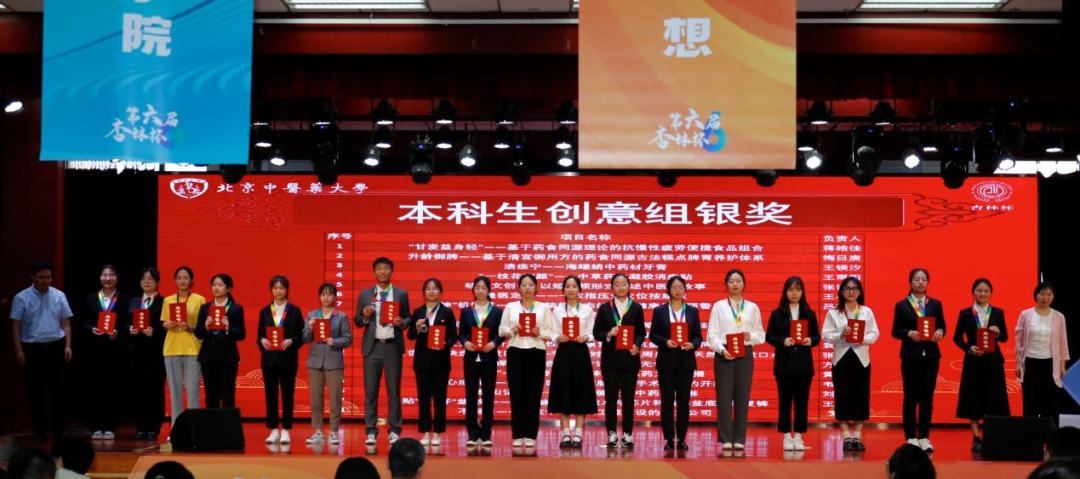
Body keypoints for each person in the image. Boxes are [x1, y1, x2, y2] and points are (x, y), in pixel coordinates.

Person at [9, 262, 73, 441]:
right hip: (32, 349)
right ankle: (40, 430)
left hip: (56, 347)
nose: (45, 281)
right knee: (35, 392)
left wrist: (68, 345)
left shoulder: (59, 295)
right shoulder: (21, 297)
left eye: (48, 277)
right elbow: (16, 325)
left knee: (59, 391)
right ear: (32, 277)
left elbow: (66, 322)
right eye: (41, 277)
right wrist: (18, 350)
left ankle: (59, 430)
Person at [707, 269, 766, 451]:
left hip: (745, 352)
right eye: (731, 281)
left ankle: (739, 438)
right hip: (724, 352)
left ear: (744, 284)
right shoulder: (718, 306)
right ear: (726, 284)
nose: (735, 284)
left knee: (742, 396)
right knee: (723, 397)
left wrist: (750, 336)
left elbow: (761, 335)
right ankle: (725, 438)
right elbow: (712, 335)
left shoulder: (752, 307)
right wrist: (722, 350)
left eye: (738, 280)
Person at [354, 257, 410, 446]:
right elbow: (357, 320)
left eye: (386, 268)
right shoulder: (365, 294)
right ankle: (371, 431)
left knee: (394, 391)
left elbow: (408, 318)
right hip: (372, 348)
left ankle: (394, 430)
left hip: (393, 347)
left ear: (391, 271)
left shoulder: (401, 294)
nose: (383, 272)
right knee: (371, 391)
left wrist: (403, 322)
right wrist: (364, 316)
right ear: (374, 272)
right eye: (379, 269)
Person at [822, 276, 881, 452]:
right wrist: (840, 334)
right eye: (847, 289)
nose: (850, 292)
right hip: (841, 358)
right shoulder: (833, 312)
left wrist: (863, 339)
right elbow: (825, 335)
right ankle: (846, 436)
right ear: (841, 292)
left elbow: (875, 334)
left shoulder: (866, 311)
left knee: (861, 397)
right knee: (842, 397)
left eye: (854, 289)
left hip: (861, 359)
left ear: (860, 292)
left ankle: (857, 436)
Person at [892, 268, 946, 452]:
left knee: (927, 398)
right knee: (910, 397)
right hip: (910, 356)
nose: (921, 282)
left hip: (931, 356)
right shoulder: (902, 305)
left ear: (928, 282)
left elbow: (942, 326)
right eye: (917, 279)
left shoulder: (935, 304)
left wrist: (940, 332)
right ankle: (911, 437)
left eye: (924, 279)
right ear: (910, 282)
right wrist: (908, 332)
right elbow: (895, 330)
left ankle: (924, 437)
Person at [499, 273, 555, 448]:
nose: (527, 288)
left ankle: (531, 434)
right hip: (515, 351)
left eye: (531, 285)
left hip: (536, 351)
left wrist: (541, 332)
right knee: (516, 393)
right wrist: (512, 329)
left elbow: (551, 332)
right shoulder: (511, 306)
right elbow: (501, 331)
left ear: (536, 288)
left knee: (534, 393)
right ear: (518, 288)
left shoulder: (543, 307)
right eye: (524, 285)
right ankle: (517, 434)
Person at [953, 278, 1010, 453]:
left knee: (995, 398)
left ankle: (992, 436)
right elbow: (957, 338)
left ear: (990, 293)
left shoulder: (998, 312)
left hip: (994, 362)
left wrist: (998, 333)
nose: (982, 294)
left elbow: (1005, 337)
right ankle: (976, 438)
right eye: (979, 290)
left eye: (986, 291)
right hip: (973, 362)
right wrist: (969, 348)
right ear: (973, 292)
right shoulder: (965, 313)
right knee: (973, 399)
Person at [765, 276, 820, 452]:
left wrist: (810, 340)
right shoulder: (777, 313)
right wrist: (783, 341)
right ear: (785, 292)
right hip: (784, 365)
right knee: (785, 401)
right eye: (791, 290)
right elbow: (769, 336)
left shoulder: (809, 313)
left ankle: (799, 437)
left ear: (802, 292)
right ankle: (787, 437)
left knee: (802, 402)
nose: (794, 293)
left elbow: (817, 336)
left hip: (804, 365)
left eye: (797, 289)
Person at [649, 275, 703, 452]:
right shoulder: (660, 311)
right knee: (666, 401)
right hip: (666, 361)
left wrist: (692, 344)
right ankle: (668, 439)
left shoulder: (693, 311)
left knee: (683, 401)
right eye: (674, 287)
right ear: (668, 290)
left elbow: (698, 336)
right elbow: (653, 335)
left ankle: (681, 438)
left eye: (681, 287)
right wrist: (665, 341)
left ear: (685, 290)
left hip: (686, 361)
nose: (678, 290)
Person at [592, 273, 646, 449]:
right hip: (610, 361)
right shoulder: (604, 308)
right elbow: (596, 332)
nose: (621, 287)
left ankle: (628, 435)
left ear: (629, 286)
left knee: (629, 399)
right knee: (611, 399)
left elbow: (641, 332)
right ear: (612, 287)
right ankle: (612, 435)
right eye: (617, 284)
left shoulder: (636, 307)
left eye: (624, 284)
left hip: (630, 360)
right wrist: (609, 333)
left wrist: (637, 345)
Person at [548, 275, 598, 448]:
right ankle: (565, 434)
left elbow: (593, 332)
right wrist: (557, 337)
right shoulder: (557, 310)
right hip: (564, 352)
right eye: (567, 286)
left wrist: (586, 337)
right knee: (563, 391)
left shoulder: (587, 309)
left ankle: (578, 434)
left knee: (581, 391)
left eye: (574, 286)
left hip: (580, 352)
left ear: (579, 290)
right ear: (563, 290)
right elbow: (552, 331)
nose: (571, 289)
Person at [82, 264, 130, 441]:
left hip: (115, 351)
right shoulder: (91, 299)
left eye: (111, 275)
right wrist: (91, 329)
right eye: (104, 275)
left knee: (113, 389)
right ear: (100, 277)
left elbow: (127, 323)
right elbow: (83, 322)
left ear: (117, 278)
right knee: (95, 388)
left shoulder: (124, 300)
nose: (108, 278)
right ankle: (96, 427)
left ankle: (110, 427)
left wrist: (118, 332)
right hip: (95, 351)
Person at [408, 278, 457, 446]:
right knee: (423, 398)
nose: (431, 291)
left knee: (439, 397)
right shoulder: (418, 312)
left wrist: (445, 344)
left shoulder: (447, 312)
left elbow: (453, 335)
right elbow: (410, 335)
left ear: (440, 292)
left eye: (435, 288)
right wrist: (416, 327)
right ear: (424, 292)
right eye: (428, 288)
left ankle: (437, 432)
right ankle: (425, 431)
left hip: (441, 361)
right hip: (422, 362)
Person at [257, 275, 305, 445]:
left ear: (287, 290)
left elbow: (301, 336)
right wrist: (262, 340)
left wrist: (292, 340)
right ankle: (273, 430)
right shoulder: (264, 311)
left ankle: (286, 430)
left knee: (287, 394)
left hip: (288, 358)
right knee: (270, 395)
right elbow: (259, 335)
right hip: (269, 359)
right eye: (275, 288)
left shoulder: (295, 311)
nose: (279, 291)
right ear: (271, 290)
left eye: (282, 288)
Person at [305, 283, 353, 445]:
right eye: (323, 294)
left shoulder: (341, 316)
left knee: (335, 398)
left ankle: (333, 432)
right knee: (315, 399)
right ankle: (318, 431)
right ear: (319, 297)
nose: (326, 297)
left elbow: (348, 338)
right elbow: (305, 339)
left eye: (330, 294)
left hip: (334, 361)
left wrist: (335, 341)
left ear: (335, 297)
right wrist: (310, 328)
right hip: (315, 362)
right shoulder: (312, 315)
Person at [458, 276, 504, 447]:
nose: (480, 291)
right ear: (473, 290)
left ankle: (485, 434)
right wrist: (465, 343)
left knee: (488, 397)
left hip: (488, 358)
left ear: (489, 290)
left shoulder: (497, 311)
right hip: (470, 358)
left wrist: (494, 343)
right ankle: (472, 433)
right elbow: (461, 333)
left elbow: (501, 333)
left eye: (484, 288)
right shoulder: (466, 311)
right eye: (477, 287)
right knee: (471, 396)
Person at [1015, 282, 1071, 420]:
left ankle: (1049, 432)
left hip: (1050, 363)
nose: (1045, 298)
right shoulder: (1025, 314)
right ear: (1036, 295)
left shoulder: (1059, 316)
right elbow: (1019, 341)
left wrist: (1062, 365)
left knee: (1050, 402)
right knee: (1030, 401)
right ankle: (1030, 431)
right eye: (1042, 294)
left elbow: (1063, 342)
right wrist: (1017, 362)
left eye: (1049, 294)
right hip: (1030, 362)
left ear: (1053, 296)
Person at [160, 266, 206, 429]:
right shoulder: (168, 300)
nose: (182, 281)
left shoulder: (199, 299)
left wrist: (191, 327)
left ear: (192, 280)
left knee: (193, 391)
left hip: (192, 348)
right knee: (175, 392)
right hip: (172, 348)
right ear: (175, 280)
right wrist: (166, 324)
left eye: (186, 277)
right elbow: (164, 322)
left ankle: (194, 430)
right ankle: (176, 430)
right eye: (179, 277)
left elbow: (202, 326)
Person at [194, 274, 246, 409]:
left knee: (228, 395)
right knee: (211, 396)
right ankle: (212, 423)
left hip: (228, 358)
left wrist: (229, 328)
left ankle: (227, 423)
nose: (216, 288)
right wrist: (205, 327)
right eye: (214, 285)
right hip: (208, 357)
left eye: (220, 285)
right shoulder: (205, 308)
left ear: (229, 288)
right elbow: (198, 333)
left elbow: (241, 334)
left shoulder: (236, 308)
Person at [127, 268, 166, 440]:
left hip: (156, 352)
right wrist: (129, 329)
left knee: (155, 389)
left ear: (157, 282)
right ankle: (140, 426)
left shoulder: (164, 302)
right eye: (143, 278)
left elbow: (168, 326)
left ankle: (154, 427)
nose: (146, 281)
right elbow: (124, 323)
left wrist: (155, 331)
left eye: (150, 279)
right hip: (136, 351)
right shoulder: (133, 301)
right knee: (138, 389)